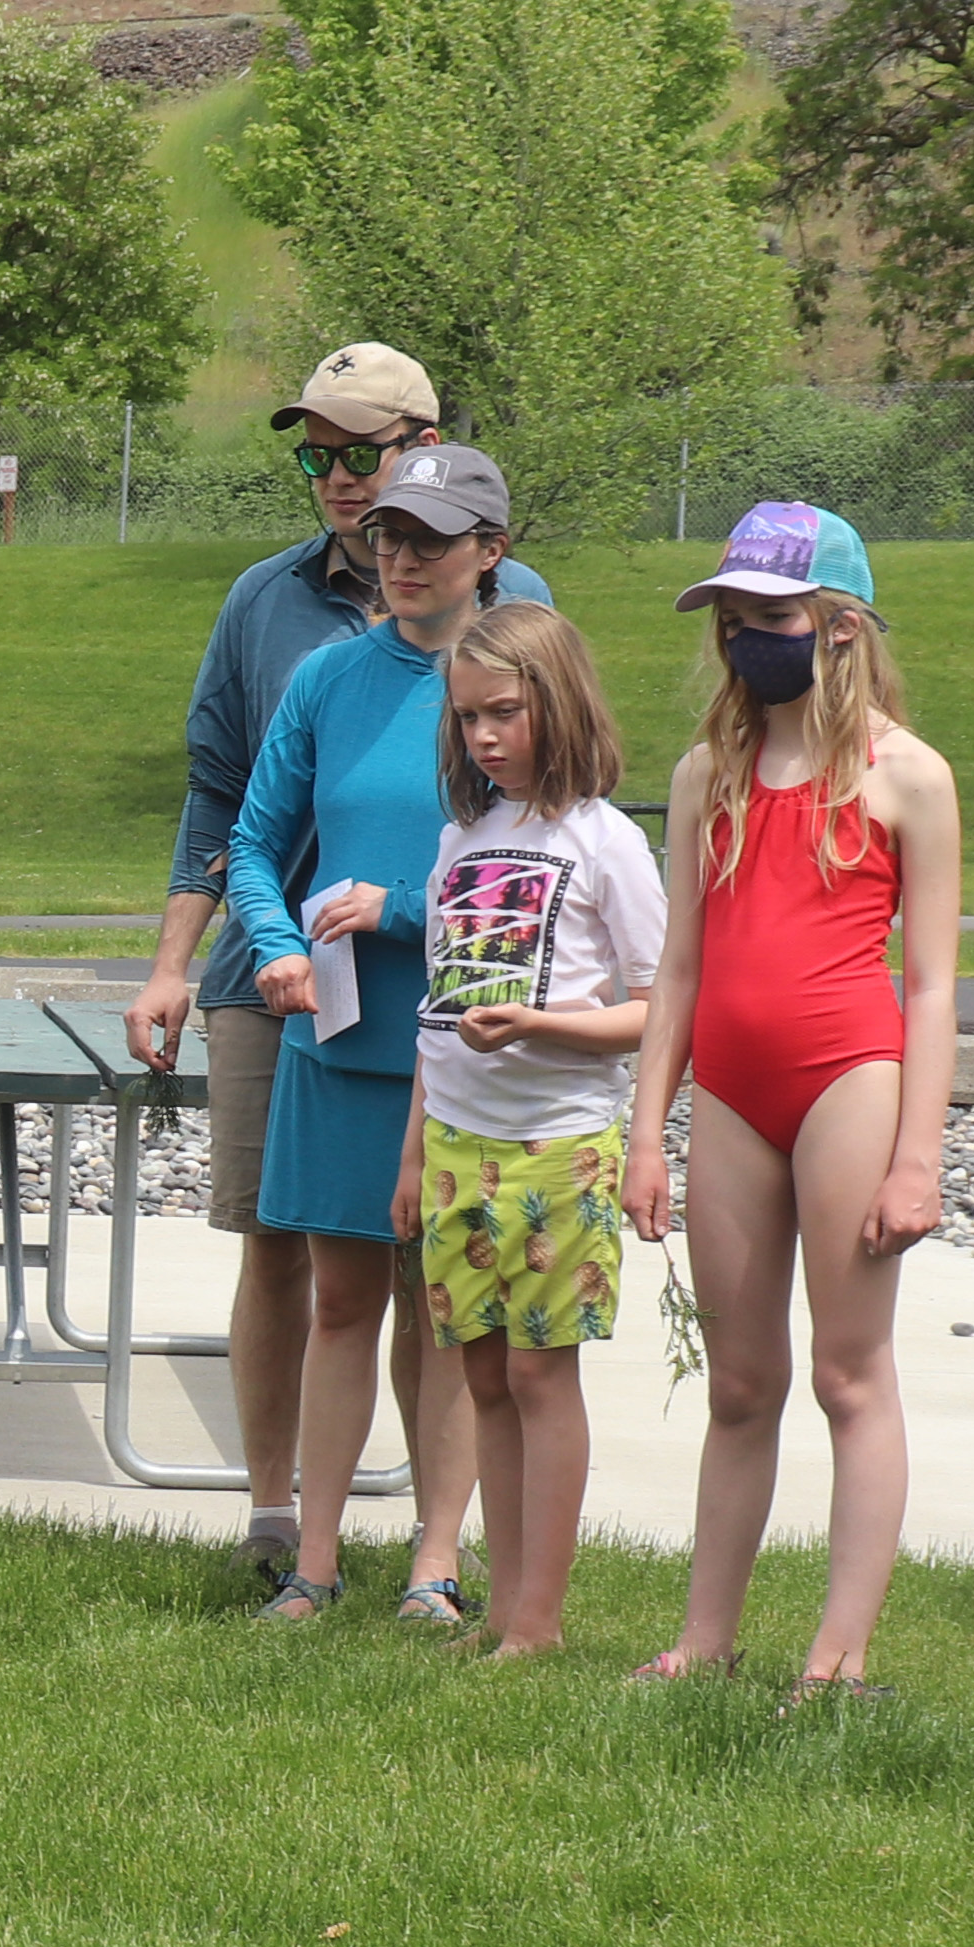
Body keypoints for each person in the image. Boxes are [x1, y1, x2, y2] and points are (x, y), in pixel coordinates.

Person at [128, 344, 549, 1580]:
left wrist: (420, 925)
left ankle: (435, 1551)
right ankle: (279, 1523)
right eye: (315, 454)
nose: (337, 481)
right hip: (297, 997)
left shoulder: (517, 623)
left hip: (459, 1006)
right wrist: (197, 955)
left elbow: (547, 828)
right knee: (289, 1249)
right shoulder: (272, 612)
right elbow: (224, 806)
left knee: (439, 1280)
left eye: (358, 453)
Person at [627, 505, 964, 1695]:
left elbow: (928, 984)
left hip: (847, 1080)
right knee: (738, 1380)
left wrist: (914, 1155)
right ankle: (703, 1641)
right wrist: (644, 1134)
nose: (742, 635)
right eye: (730, 616)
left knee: (846, 1371)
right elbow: (675, 968)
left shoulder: (905, 776)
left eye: (767, 614)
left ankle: (836, 1655)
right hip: (728, 1091)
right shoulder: (701, 775)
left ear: (835, 625)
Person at [225, 439, 528, 1625]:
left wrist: (398, 910)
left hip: (464, 1038)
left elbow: (537, 864)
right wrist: (277, 942)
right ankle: (310, 1563)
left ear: (488, 554)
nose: (399, 558)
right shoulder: (326, 679)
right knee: (338, 1299)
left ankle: (433, 1565)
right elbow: (253, 842)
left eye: (430, 541)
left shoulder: (514, 691)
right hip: (335, 1039)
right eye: (387, 537)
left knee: (446, 1306)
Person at [386, 605, 660, 1664]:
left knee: (543, 1379)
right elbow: (435, 1016)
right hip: (457, 1147)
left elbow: (656, 1006)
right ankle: (499, 1610)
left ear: (557, 702)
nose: (483, 737)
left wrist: (541, 1025)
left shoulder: (604, 842)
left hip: (559, 1146)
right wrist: (413, 1152)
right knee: (484, 1377)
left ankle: (535, 1621)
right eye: (465, 719)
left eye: (503, 712)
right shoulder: (460, 841)